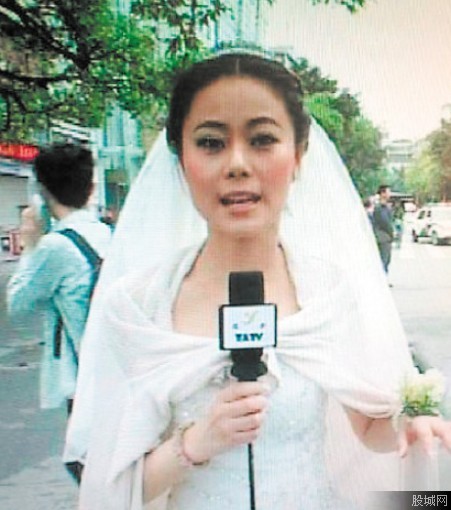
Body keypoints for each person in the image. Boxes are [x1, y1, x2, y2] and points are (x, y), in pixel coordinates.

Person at [67, 54, 451, 510]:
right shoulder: (138, 305)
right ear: (181, 159)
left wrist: (409, 423)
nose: (237, 164)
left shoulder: (327, 291)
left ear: (298, 155)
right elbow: (108, 489)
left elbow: (369, 427)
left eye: (263, 139)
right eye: (211, 143)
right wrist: (196, 443)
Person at [7, 143, 112, 414]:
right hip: (114, 372)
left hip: (84, 383)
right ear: (91, 188)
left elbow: (18, 303)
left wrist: (30, 245)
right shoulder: (109, 234)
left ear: (42, 193)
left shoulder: (55, 246)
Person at [373, 185, 394, 273]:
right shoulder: (380, 207)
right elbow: (385, 222)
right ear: (382, 193)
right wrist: (391, 233)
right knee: (383, 261)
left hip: (384, 237)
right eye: (388, 192)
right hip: (383, 237)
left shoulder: (384, 207)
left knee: (386, 260)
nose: (390, 194)